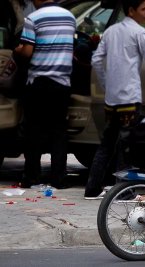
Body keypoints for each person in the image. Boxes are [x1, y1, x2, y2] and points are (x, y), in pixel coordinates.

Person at [84, 0, 145, 199]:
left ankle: (92, 189)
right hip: (129, 98)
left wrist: (106, 83)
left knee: (107, 144)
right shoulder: (139, 32)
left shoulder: (110, 31)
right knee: (125, 145)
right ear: (131, 10)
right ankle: (124, 191)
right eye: (143, 9)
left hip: (112, 99)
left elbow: (96, 59)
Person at [15, 0, 76, 189]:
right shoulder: (70, 17)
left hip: (39, 82)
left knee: (34, 130)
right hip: (62, 82)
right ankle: (59, 178)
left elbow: (27, 51)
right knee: (59, 131)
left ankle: (32, 176)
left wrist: (17, 49)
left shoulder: (32, 19)